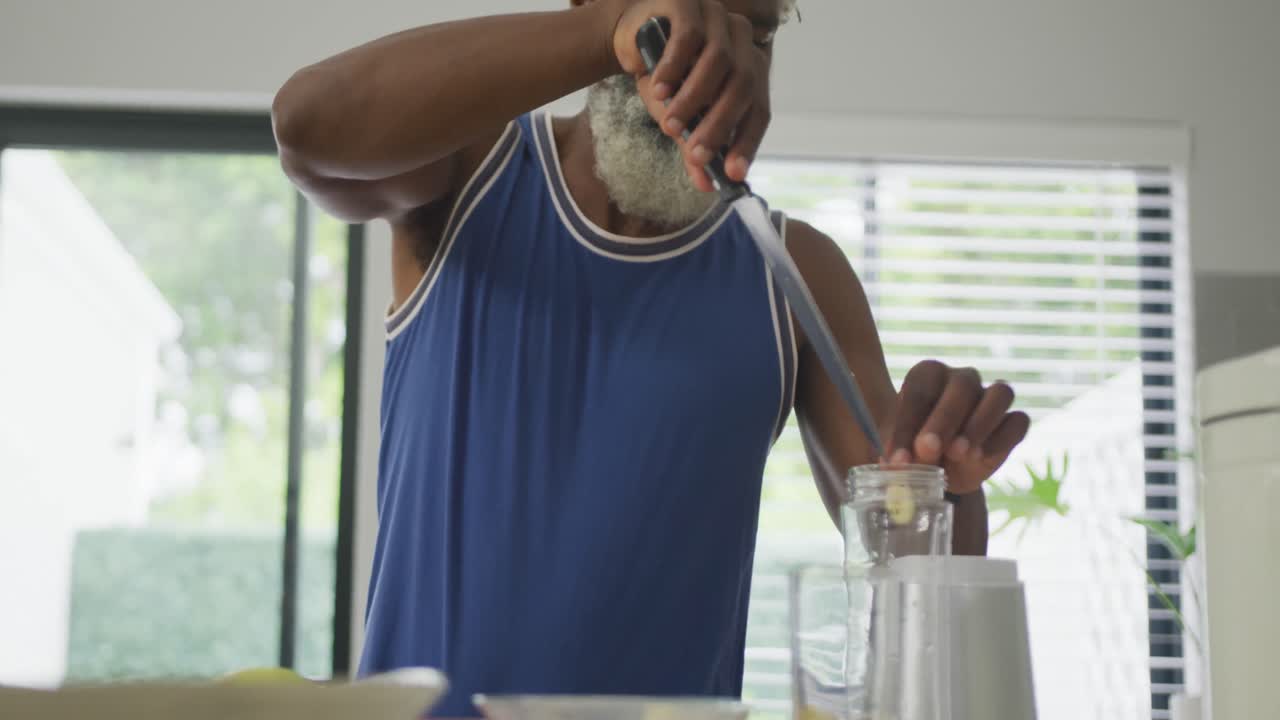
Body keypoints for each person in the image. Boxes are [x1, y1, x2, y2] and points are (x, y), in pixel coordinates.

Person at [272, 0, 1030, 714]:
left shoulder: (796, 275)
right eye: (681, 25)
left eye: (750, 35)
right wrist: (618, 27)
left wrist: (946, 483)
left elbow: (907, 558)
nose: (715, 67)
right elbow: (309, 126)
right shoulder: (464, 174)